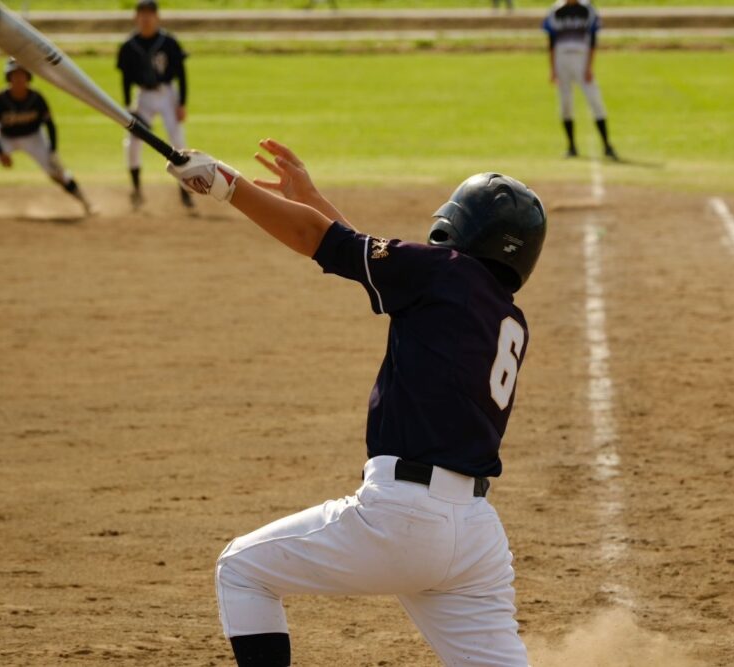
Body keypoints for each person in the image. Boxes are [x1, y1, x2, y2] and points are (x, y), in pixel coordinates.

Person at [165, 140, 547, 667]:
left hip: (404, 520)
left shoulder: (440, 273)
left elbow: (313, 238)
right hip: (476, 540)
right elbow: (355, 251)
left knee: (242, 570)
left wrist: (228, 186)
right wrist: (312, 196)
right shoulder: (503, 314)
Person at [0, 59, 92, 217]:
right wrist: (0, 152)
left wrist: (52, 150)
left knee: (57, 173)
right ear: (8, 78)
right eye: (14, 76)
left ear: (28, 78)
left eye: (22, 75)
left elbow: (50, 125)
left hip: (34, 137)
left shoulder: (36, 98)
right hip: (5, 137)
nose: (18, 79)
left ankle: (86, 204)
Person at [117, 0, 191, 210]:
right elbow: (125, 79)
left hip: (168, 94)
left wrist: (182, 103)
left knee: (178, 141)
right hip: (143, 96)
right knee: (132, 141)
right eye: (142, 14)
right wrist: (127, 106)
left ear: (157, 17)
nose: (146, 18)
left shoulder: (169, 42)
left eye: (150, 14)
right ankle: (137, 190)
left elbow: (182, 74)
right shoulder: (129, 45)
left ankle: (185, 192)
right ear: (136, 17)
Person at [543, 0, 618, 160]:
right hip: (562, 61)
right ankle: (571, 146)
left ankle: (607, 145)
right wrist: (553, 69)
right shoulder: (556, 10)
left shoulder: (587, 9)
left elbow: (592, 40)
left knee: (595, 101)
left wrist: (589, 66)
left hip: (581, 60)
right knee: (565, 104)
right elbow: (551, 42)